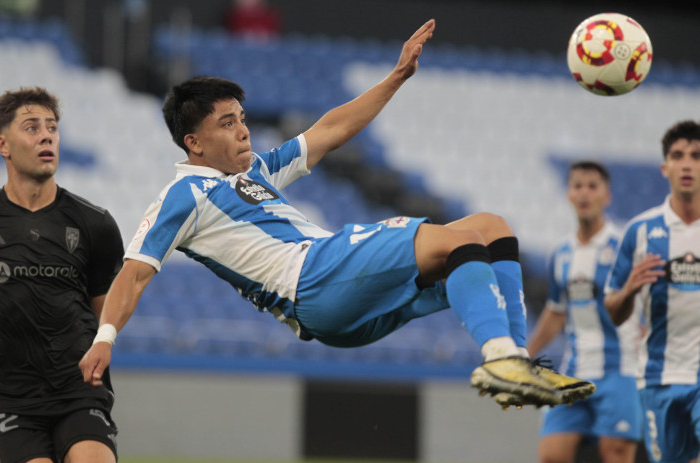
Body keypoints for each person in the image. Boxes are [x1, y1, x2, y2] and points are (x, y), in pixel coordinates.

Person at [79, 19, 593, 409]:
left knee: (491, 229)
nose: (243, 130)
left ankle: (516, 365)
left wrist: (395, 79)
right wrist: (105, 340)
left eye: (242, 119)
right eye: (228, 123)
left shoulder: (253, 173)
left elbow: (327, 131)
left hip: (342, 303)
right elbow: (135, 273)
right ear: (193, 142)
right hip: (314, 281)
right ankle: (501, 360)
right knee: (455, 241)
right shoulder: (182, 195)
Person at [0, 87, 124, 463]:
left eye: (52, 128)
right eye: (31, 127)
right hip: (7, 398)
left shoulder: (96, 224)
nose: (46, 135)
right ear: (2, 144)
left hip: (79, 391)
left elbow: (105, 314)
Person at [525, 161, 642, 463]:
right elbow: (556, 313)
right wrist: (525, 353)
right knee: (551, 454)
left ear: (607, 196)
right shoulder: (562, 254)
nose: (584, 192)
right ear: (568, 194)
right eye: (578, 185)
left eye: (593, 186)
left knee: (615, 455)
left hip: (620, 369)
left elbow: (650, 301)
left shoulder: (623, 248)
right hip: (575, 369)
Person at [605, 120, 700, 463]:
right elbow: (613, 310)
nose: (687, 163)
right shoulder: (640, 231)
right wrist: (630, 287)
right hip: (660, 377)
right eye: (678, 155)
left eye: (696, 155)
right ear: (665, 167)